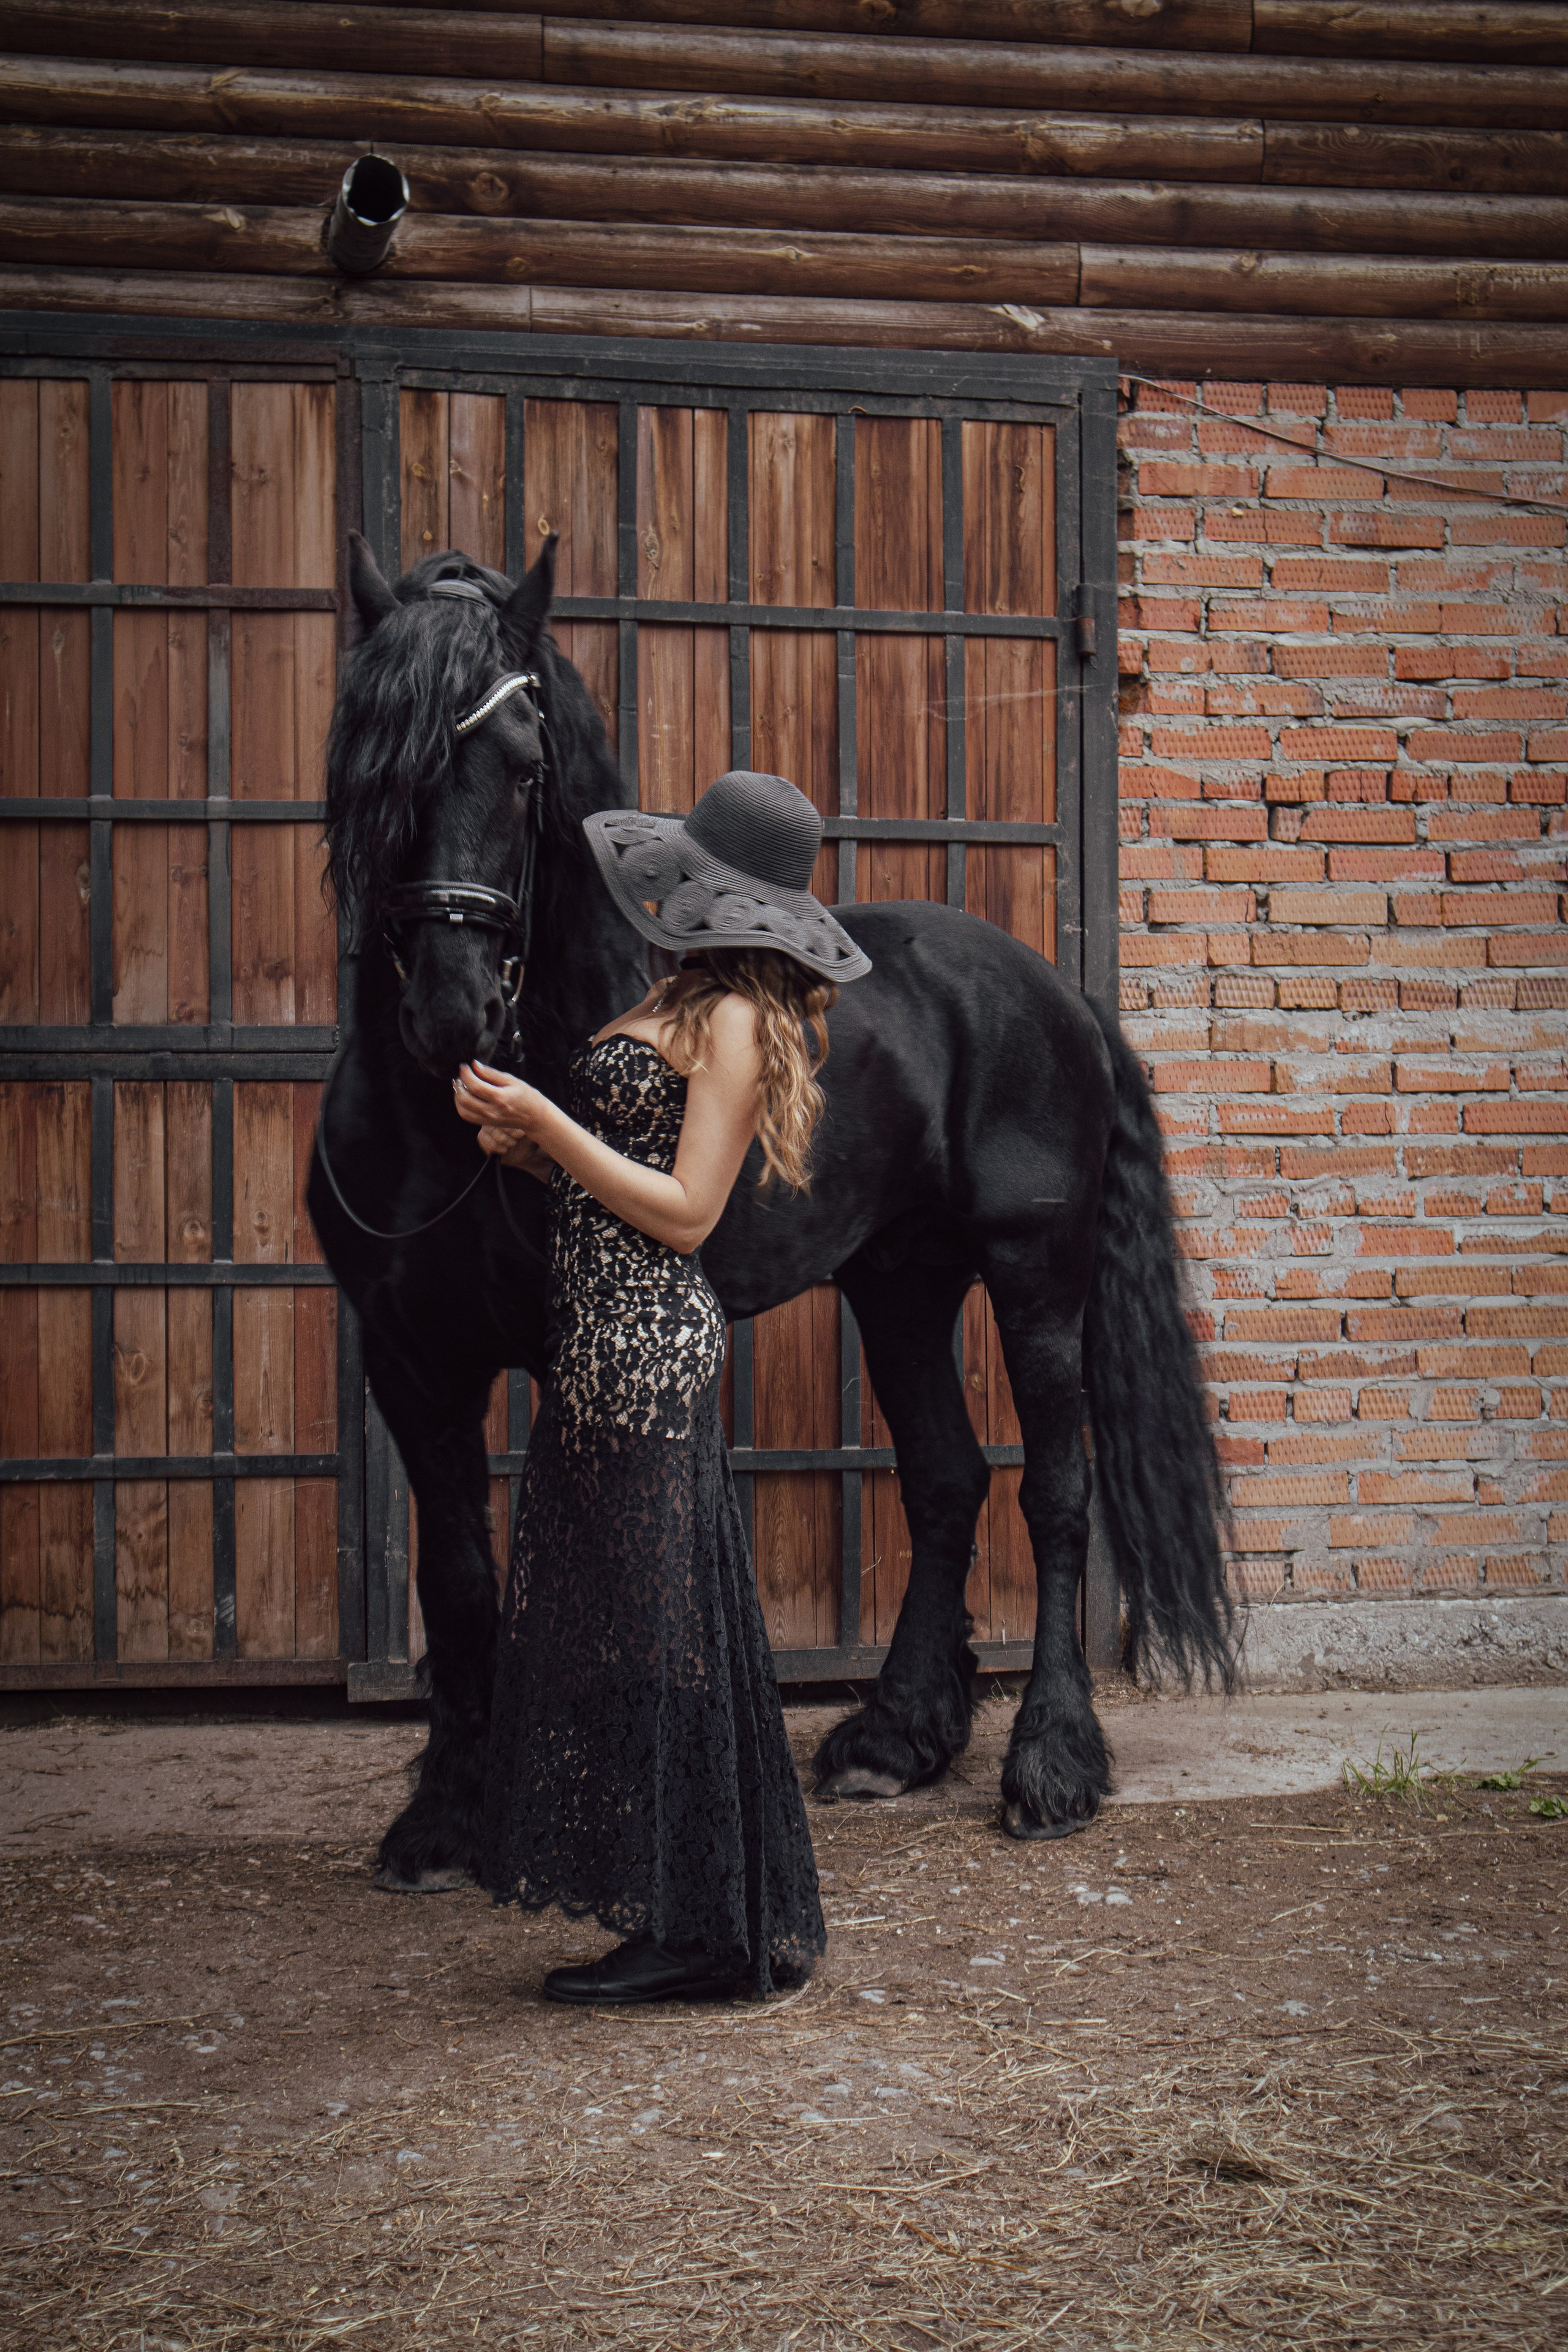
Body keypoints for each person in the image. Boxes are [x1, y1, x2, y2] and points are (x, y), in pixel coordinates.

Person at [452, 769, 872, 2005]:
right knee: (631, 1635)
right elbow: (617, 1181)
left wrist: (551, 1124)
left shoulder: (739, 1022)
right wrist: (530, 1148)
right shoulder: (680, 995)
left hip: (647, 1352)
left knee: (656, 1642)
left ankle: (697, 1930)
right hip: (593, 1348)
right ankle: (684, 1911)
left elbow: (685, 1217)